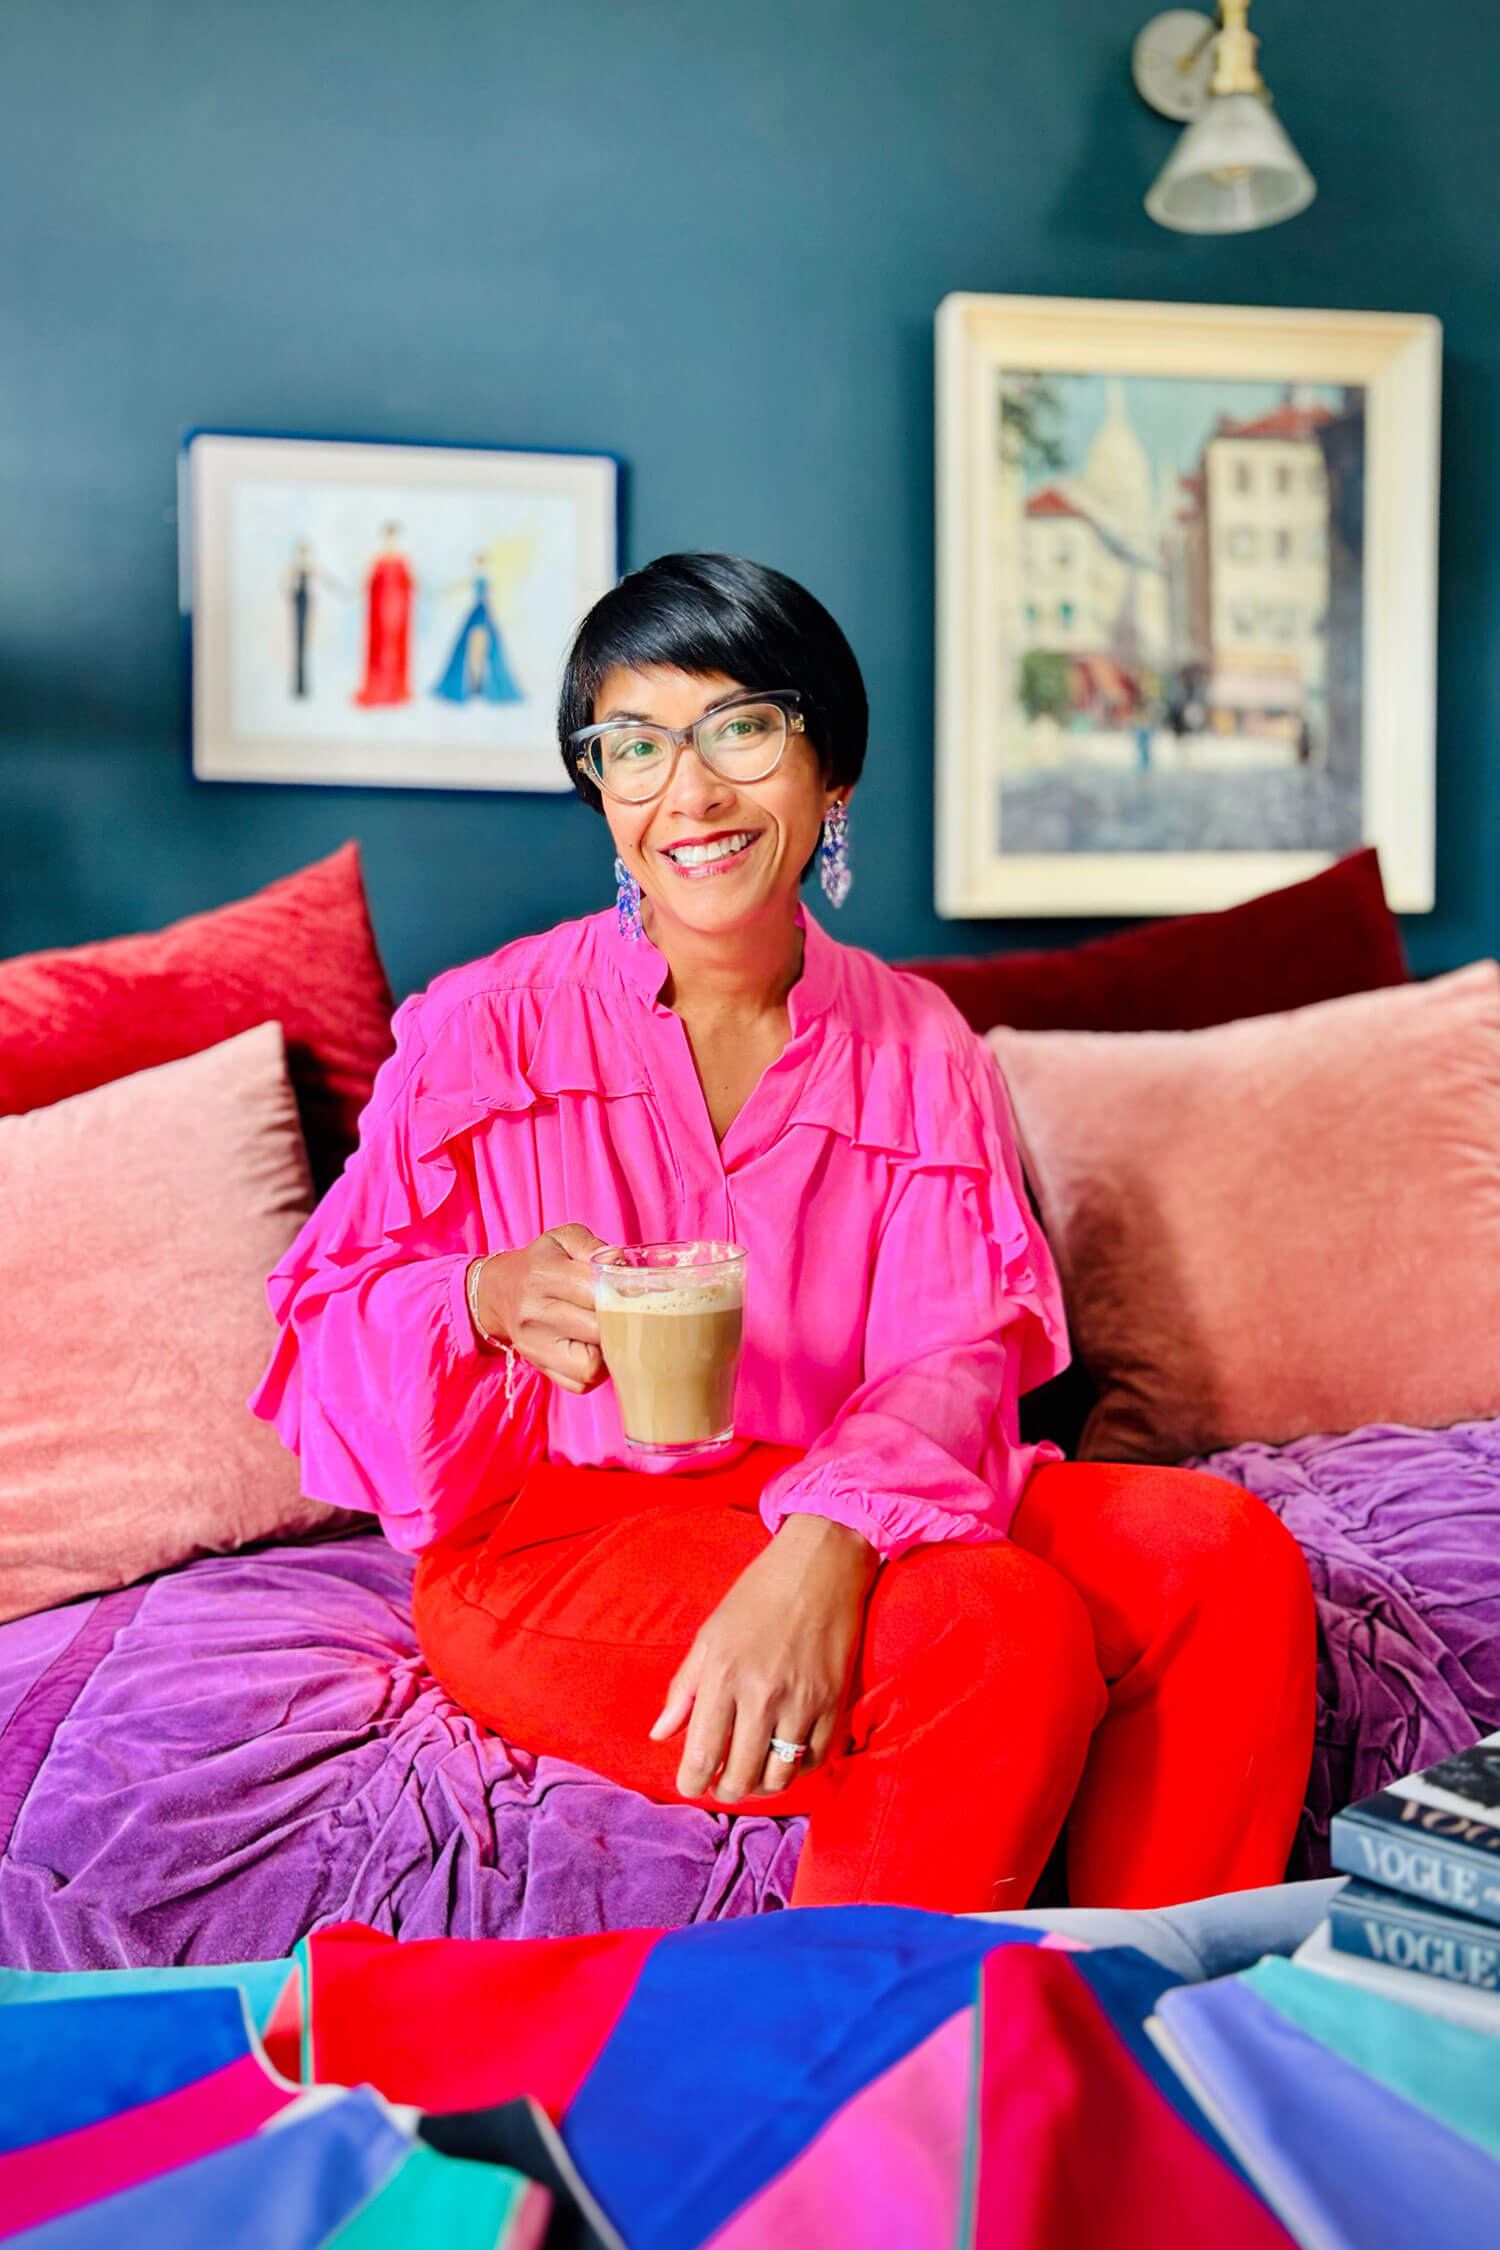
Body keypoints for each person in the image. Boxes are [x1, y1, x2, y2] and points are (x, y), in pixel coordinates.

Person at [252, 552, 1315, 1916]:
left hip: (862, 1485)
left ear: (831, 777)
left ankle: (1139, 2029)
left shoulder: (918, 1042)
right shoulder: (484, 1025)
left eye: (741, 727)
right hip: (559, 1534)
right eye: (635, 743)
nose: (688, 790)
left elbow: (956, 1356)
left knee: (1220, 1558)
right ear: (604, 794)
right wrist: (479, 1293)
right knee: (991, 1631)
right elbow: (323, 1320)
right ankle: (847, 2098)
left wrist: (825, 1543)